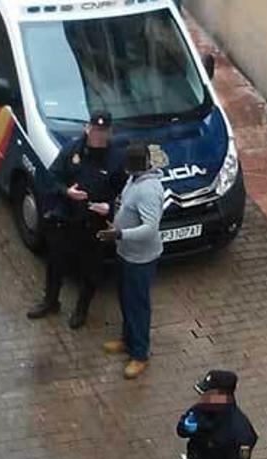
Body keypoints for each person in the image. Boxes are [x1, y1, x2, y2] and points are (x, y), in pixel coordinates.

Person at [27, 111, 125, 329]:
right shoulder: (73, 149)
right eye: (95, 130)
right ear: (87, 128)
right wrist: (66, 192)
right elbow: (51, 177)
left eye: (103, 132)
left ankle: (82, 310)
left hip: (95, 224)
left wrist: (109, 207)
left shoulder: (117, 158)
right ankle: (50, 301)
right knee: (56, 262)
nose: (98, 136)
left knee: (91, 270)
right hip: (67, 218)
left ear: (110, 133)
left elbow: (122, 190)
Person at [98, 143, 164, 379]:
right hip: (126, 253)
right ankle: (128, 340)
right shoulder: (134, 179)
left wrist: (120, 234)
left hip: (140, 259)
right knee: (126, 299)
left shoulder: (148, 190)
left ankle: (140, 355)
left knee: (138, 305)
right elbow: (126, 207)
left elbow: (150, 228)